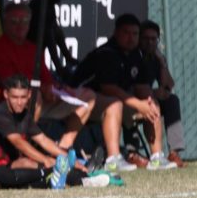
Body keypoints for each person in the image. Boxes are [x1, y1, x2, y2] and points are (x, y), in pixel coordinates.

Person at [0, 2, 96, 151]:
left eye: (24, 21)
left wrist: (55, 89)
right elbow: (11, 85)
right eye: (14, 21)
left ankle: (63, 148)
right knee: (34, 96)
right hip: (12, 103)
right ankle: (25, 148)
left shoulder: (33, 48)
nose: (20, 26)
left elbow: (46, 79)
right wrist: (42, 89)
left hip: (41, 101)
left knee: (88, 96)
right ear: (5, 24)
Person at [73, 14, 177, 172]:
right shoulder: (107, 53)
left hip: (116, 103)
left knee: (151, 104)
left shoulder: (135, 54)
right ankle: (113, 160)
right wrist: (138, 104)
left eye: (135, 34)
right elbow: (109, 88)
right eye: (126, 33)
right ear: (116, 33)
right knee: (115, 105)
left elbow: (141, 86)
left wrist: (149, 102)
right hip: (83, 101)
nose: (131, 38)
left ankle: (157, 158)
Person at [0, 74, 108, 188]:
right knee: (28, 163)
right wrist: (46, 160)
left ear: (29, 94)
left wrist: (71, 161)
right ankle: (80, 180)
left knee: (44, 164)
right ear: (6, 94)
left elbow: (43, 140)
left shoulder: (24, 115)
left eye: (23, 97)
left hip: (10, 167)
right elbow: (18, 143)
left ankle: (83, 175)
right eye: (15, 97)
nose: (19, 102)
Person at [138, 20, 186, 167]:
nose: (150, 43)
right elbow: (131, 88)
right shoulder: (134, 56)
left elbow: (169, 85)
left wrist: (162, 63)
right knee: (152, 102)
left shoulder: (156, 58)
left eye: (154, 39)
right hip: (131, 101)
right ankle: (139, 153)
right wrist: (153, 93)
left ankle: (174, 153)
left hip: (150, 98)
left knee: (172, 100)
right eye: (146, 39)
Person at [28, 0, 77, 83]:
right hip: (29, 59)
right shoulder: (40, 5)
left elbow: (57, 32)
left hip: (37, 57)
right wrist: (59, 68)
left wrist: (68, 57)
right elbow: (49, 38)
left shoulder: (49, 4)